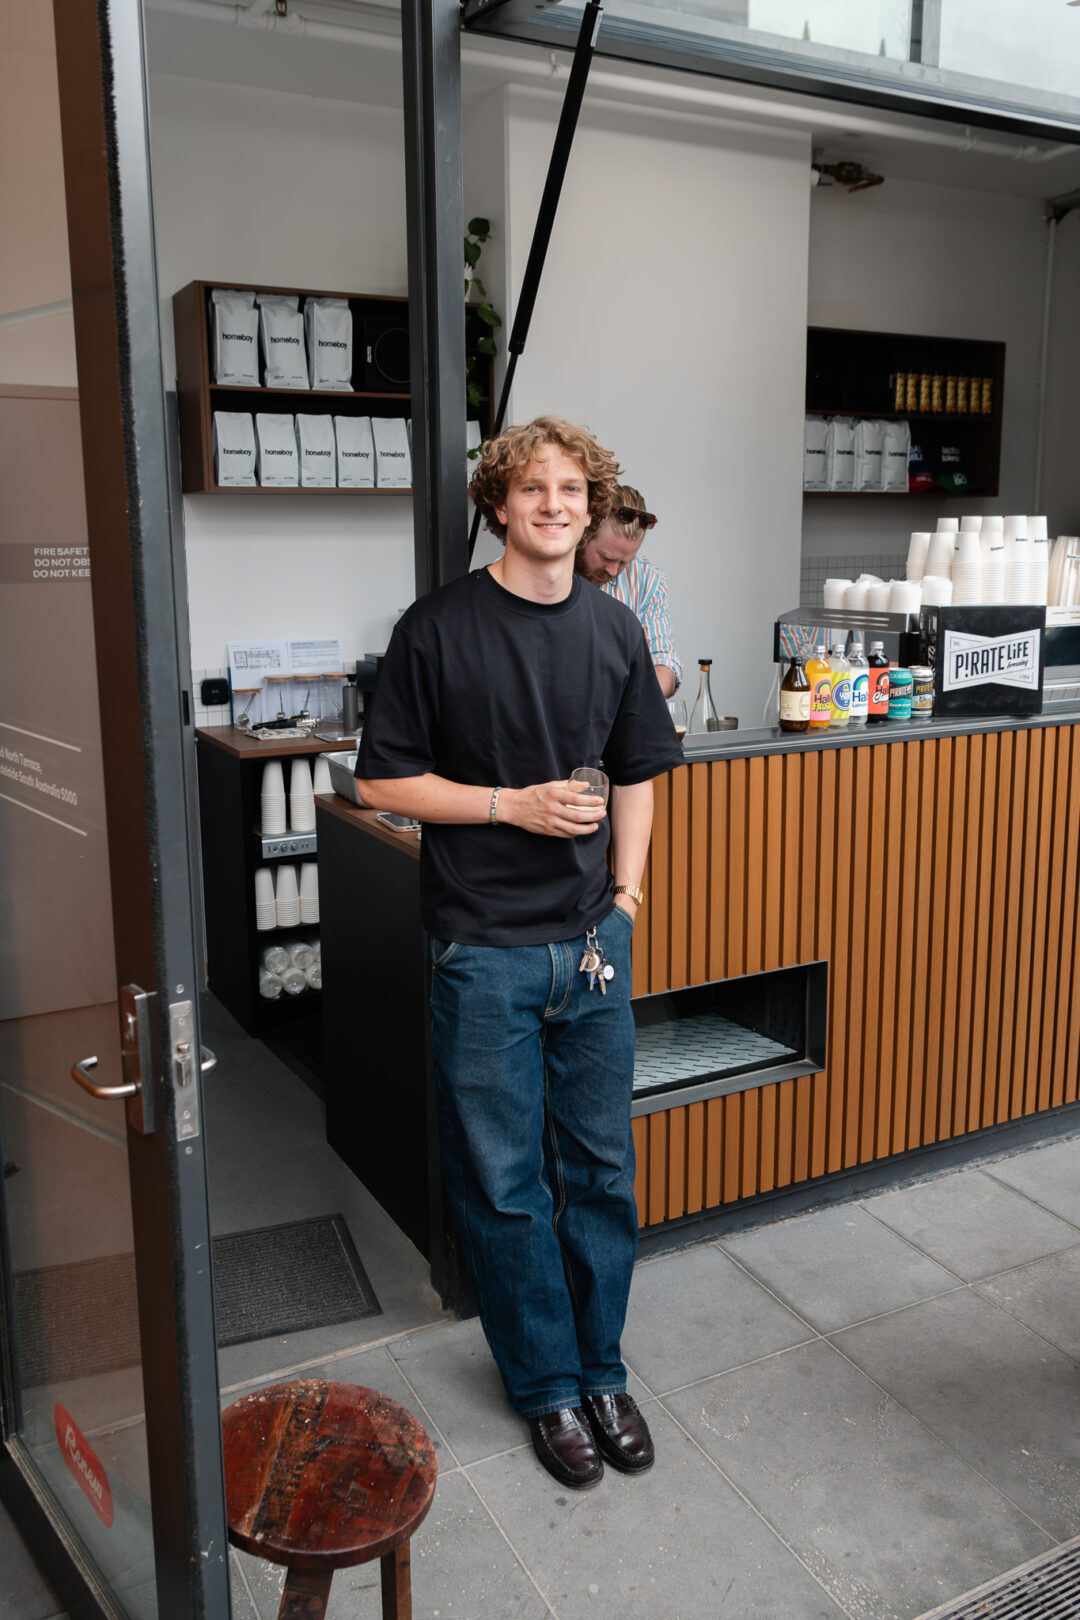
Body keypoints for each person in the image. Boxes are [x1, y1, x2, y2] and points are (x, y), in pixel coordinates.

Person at [356, 415, 683, 1490]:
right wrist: (507, 806)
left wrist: (627, 896)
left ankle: (602, 1369)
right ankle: (546, 1386)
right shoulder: (436, 630)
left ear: (592, 507)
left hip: (592, 944)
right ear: (499, 504)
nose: (555, 504)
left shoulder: (615, 630)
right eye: (533, 488)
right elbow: (383, 781)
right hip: (481, 951)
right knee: (504, 1185)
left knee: (599, 1172)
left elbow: (637, 768)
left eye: (573, 489)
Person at [576, 485, 682, 697]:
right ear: (583, 534)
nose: (613, 571)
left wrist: (638, 698)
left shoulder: (648, 579)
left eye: (625, 561)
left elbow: (664, 660)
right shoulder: (534, 574)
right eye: (606, 557)